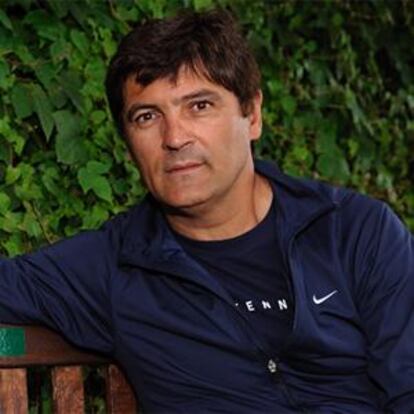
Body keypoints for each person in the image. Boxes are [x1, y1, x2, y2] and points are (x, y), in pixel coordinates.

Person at [1, 8, 413, 413]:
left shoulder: (355, 233)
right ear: (128, 145)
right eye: (147, 116)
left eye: (199, 106)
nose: (174, 137)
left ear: (252, 115)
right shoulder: (114, 267)